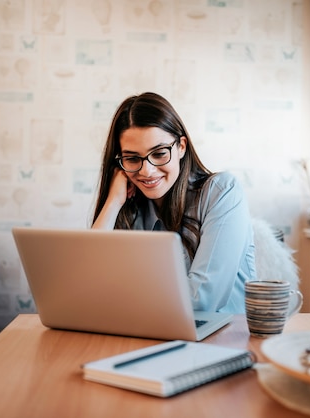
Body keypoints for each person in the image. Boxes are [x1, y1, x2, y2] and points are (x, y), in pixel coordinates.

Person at [92, 92, 255, 313]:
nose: (146, 171)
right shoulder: (132, 208)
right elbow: (90, 286)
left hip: (225, 339)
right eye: (132, 158)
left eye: (159, 153)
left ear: (181, 147)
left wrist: (119, 299)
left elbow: (202, 300)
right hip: (157, 333)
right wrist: (112, 202)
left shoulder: (222, 192)